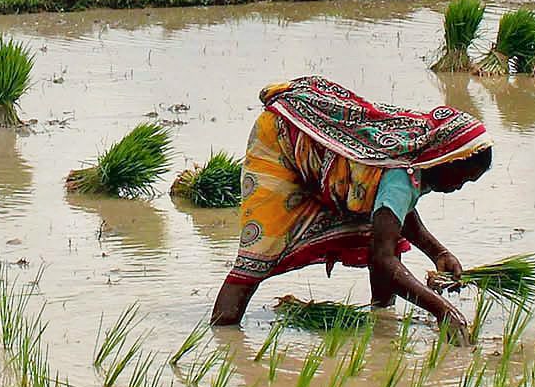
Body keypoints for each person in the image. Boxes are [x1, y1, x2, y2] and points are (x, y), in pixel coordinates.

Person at [209, 78, 494, 334]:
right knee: (260, 252)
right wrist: (442, 311)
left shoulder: (420, 153)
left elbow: (397, 210)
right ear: (448, 158)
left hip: (325, 156)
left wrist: (438, 253)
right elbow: (383, 258)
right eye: (463, 178)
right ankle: (223, 335)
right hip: (280, 140)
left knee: (384, 235)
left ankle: (382, 317)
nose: (460, 186)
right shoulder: (401, 175)